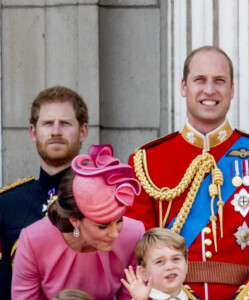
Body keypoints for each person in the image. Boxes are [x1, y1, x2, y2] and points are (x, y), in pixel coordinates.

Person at [126, 46, 249, 299]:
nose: (209, 90)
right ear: (184, 88)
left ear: (231, 90)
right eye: (200, 80)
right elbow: (137, 249)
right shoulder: (146, 161)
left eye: (219, 80)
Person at [11, 144, 145, 300]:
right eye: (102, 226)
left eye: (119, 220)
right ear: (75, 221)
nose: (115, 233)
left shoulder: (134, 234)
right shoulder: (33, 241)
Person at [0, 85, 89, 300]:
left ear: (83, 132)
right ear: (33, 132)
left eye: (65, 123)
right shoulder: (7, 203)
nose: (56, 131)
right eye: (48, 123)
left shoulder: (103, 199)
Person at [121, 227, 201, 300]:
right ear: (143, 273)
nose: (170, 267)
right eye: (159, 261)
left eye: (176, 259)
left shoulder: (194, 298)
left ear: (186, 265)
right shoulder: (141, 298)